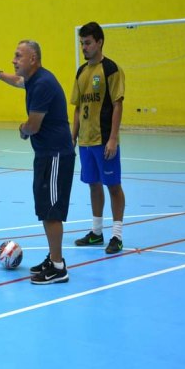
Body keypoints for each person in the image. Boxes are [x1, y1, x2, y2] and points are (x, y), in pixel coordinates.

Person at [0, 40, 75, 284]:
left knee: (52, 211)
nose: (13, 60)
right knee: (45, 209)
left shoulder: (43, 83)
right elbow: (19, 81)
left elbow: (33, 126)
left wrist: (21, 130)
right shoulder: (34, 80)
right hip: (46, 154)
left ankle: (58, 268)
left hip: (56, 155)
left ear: (33, 59)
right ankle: (53, 258)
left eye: (18, 56)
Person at [71, 22, 126, 254]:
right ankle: (96, 232)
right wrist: (71, 138)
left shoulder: (111, 69)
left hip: (104, 140)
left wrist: (113, 138)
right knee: (93, 185)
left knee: (113, 186)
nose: (84, 47)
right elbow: (76, 108)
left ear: (99, 42)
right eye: (82, 43)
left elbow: (117, 104)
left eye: (88, 43)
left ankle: (117, 235)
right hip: (85, 141)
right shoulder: (81, 72)